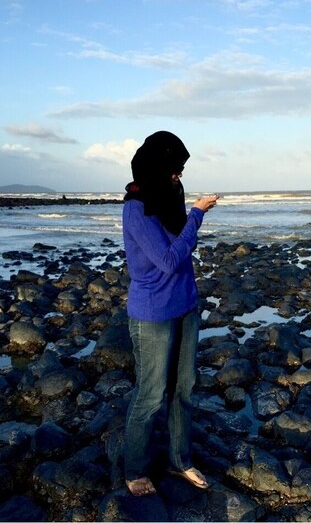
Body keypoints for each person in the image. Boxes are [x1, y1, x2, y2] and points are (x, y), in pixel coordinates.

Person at [121, 131, 219, 497]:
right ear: (156, 169)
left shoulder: (166, 201)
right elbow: (168, 260)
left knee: (185, 389)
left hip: (185, 308)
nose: (178, 177)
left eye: (181, 171)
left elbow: (179, 247)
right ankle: (134, 470)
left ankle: (180, 460)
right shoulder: (136, 208)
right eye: (174, 171)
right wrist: (197, 215)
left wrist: (189, 214)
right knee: (150, 394)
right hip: (153, 316)